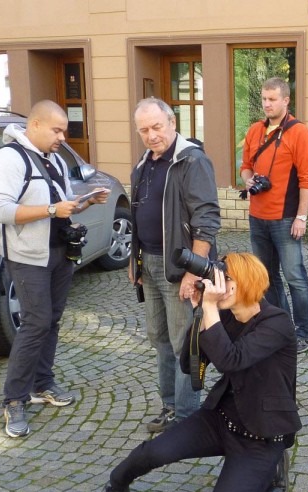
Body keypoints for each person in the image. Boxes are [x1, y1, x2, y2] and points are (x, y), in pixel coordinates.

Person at [86, 253, 301, 492]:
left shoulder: (277, 323)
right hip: (220, 419)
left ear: (246, 283)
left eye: (225, 279)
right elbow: (189, 365)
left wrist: (210, 309)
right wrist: (199, 313)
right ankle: (117, 484)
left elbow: (231, 360)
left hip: (260, 436)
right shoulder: (224, 316)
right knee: (155, 451)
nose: (217, 285)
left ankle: (272, 465)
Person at [0, 100, 110, 438]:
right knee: (35, 323)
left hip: (60, 253)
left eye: (64, 131)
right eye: (56, 130)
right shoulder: (9, 159)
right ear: (36, 124)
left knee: (52, 320)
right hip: (28, 257)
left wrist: (86, 201)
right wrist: (51, 209)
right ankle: (13, 399)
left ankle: (42, 384)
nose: (62, 137)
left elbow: (61, 208)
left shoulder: (54, 159)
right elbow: (0, 210)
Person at [130, 98, 221, 433]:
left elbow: (207, 219)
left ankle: (186, 416)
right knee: (159, 337)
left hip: (180, 267)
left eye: (157, 127)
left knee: (184, 341)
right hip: (149, 264)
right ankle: (170, 407)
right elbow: (140, 215)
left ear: (172, 122)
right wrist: (134, 260)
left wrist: (194, 270)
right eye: (144, 130)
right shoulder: (143, 164)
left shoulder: (192, 161)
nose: (152, 135)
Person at [240, 77, 308, 353]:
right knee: (267, 276)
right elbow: (246, 166)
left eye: (272, 99)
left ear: (286, 100)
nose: (267, 104)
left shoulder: (299, 133)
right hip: (257, 216)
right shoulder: (254, 131)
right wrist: (249, 180)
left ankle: (306, 330)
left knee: (295, 275)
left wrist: (302, 217)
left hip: (285, 218)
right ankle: (280, 325)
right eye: (264, 99)